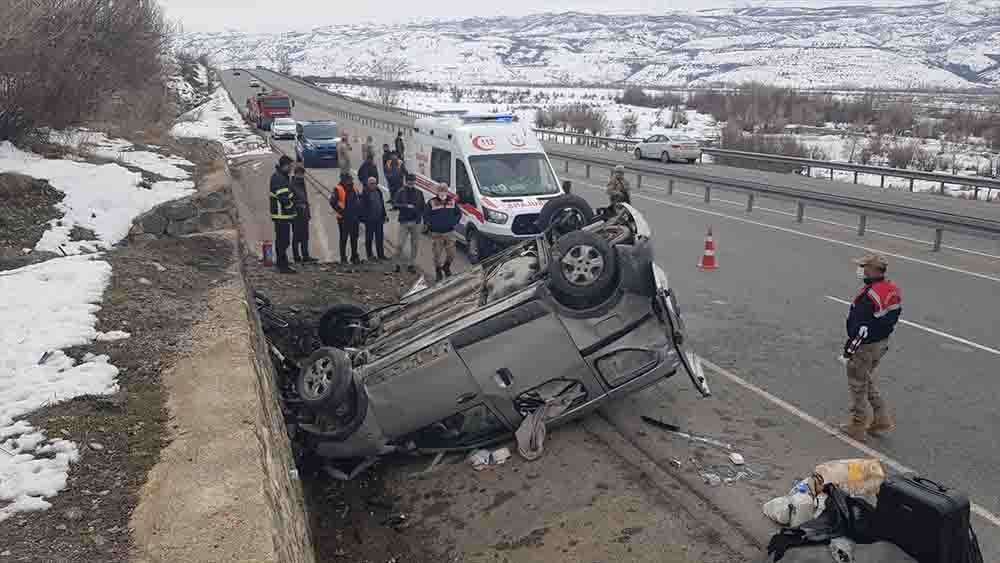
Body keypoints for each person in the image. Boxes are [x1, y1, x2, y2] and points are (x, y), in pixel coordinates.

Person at [840, 254, 902, 441]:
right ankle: (881, 418)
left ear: (873, 270)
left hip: (865, 346)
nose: (860, 270)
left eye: (863, 266)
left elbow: (861, 328)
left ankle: (858, 424)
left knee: (857, 383)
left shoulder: (869, 296)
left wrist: (849, 350)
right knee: (866, 379)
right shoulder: (891, 289)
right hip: (881, 343)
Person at [424, 182, 462, 281]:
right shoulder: (431, 202)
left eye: (444, 190)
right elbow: (426, 216)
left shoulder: (452, 202)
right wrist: (431, 225)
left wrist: (454, 222)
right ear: (437, 191)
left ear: (447, 191)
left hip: (449, 232)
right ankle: (438, 271)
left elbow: (458, 214)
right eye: (440, 190)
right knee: (437, 254)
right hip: (437, 233)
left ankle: (446, 267)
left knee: (451, 253)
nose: (442, 192)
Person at [269, 155, 297, 274]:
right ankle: (282, 265)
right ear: (285, 166)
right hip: (282, 215)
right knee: (283, 241)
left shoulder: (281, 176)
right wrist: (291, 209)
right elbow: (284, 198)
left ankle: (283, 263)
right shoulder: (279, 178)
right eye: (290, 166)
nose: (291, 169)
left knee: (283, 240)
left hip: (283, 215)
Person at [394, 173, 425, 274]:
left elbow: (423, 207)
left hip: (416, 223)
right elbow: (395, 204)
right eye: (409, 181)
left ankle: (411, 264)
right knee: (399, 244)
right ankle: (397, 264)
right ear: (406, 182)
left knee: (415, 245)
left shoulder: (419, 193)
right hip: (404, 222)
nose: (411, 183)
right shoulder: (400, 192)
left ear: (414, 182)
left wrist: (420, 218)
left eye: (412, 181)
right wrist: (405, 206)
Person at [330, 171, 362, 264]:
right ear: (343, 180)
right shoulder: (338, 188)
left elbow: (358, 199)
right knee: (344, 238)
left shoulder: (354, 188)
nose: (349, 181)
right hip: (343, 218)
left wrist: (359, 213)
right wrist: (341, 212)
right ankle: (343, 258)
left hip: (354, 217)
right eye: (348, 179)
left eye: (350, 179)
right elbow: (333, 202)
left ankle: (354, 256)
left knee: (354, 237)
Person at [290, 164, 316, 264]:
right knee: (297, 236)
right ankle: (297, 257)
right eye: (300, 175)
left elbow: (305, 199)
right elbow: (291, 200)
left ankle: (305, 256)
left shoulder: (301, 183)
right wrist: (298, 206)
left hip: (304, 214)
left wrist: (308, 213)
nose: (302, 176)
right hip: (296, 215)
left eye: (303, 175)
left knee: (305, 236)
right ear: (296, 174)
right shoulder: (292, 184)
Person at [360, 176, 388, 261]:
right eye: (371, 184)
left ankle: (381, 255)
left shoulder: (378, 191)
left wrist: (384, 215)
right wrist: (364, 219)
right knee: (369, 238)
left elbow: (381, 204)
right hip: (370, 220)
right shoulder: (365, 193)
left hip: (379, 219)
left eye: (375, 183)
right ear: (368, 184)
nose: (373, 185)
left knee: (379, 238)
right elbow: (362, 208)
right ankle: (370, 255)